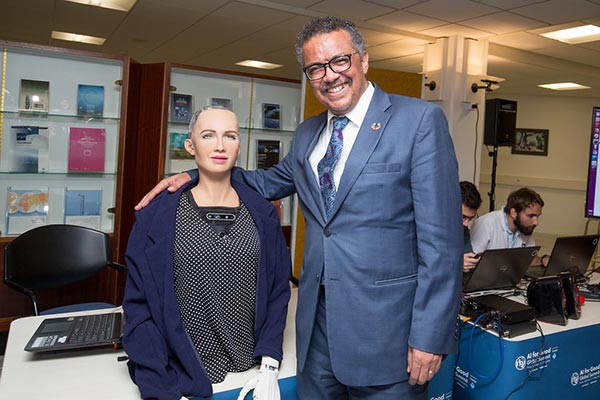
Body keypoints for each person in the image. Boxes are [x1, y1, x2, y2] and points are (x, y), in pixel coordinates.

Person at [136, 16, 462, 400]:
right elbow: (265, 183)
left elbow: (442, 244)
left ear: (363, 60)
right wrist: (198, 172)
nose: (330, 76)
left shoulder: (418, 121)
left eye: (339, 61)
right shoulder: (308, 133)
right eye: (316, 68)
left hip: (387, 337)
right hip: (316, 335)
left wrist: (429, 336)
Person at [122, 106, 291, 400]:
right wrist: (159, 384)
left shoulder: (262, 215)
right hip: (184, 368)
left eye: (230, 136)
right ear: (190, 146)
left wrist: (270, 361)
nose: (220, 145)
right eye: (208, 135)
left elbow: (278, 291)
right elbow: (139, 306)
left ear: (239, 146)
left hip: (249, 369)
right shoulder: (157, 218)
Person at [469, 187, 548, 266]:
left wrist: (542, 259)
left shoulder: (524, 227)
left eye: (537, 216)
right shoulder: (485, 224)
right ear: (514, 213)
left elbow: (529, 259)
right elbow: (471, 262)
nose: (536, 223)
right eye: (531, 216)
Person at [461, 181, 483, 273]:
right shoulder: (429, 227)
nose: (466, 224)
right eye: (463, 217)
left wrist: (474, 262)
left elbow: (466, 255)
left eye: (470, 218)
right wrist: (456, 264)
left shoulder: (464, 231)